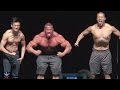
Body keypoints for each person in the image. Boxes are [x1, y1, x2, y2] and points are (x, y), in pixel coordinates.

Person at [74, 12, 120, 79]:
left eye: (101, 17)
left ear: (104, 18)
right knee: (93, 74)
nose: (100, 18)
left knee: (107, 74)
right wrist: (77, 42)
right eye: (98, 17)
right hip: (95, 52)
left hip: (106, 53)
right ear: (96, 19)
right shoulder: (92, 28)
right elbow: (82, 34)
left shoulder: (110, 28)